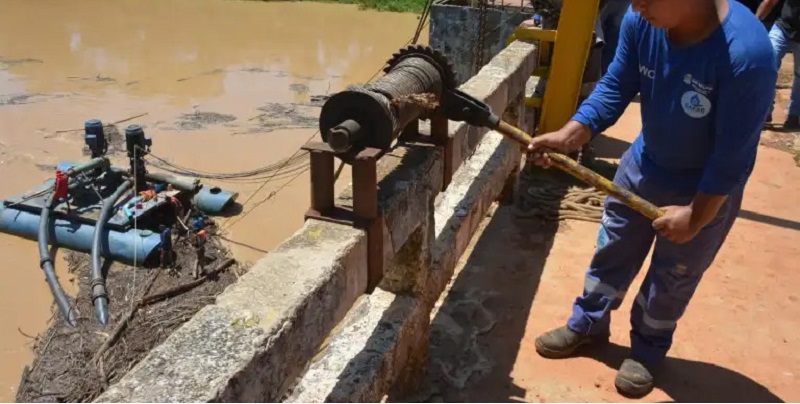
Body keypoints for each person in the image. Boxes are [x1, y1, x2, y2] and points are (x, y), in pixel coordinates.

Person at [527, 0, 776, 397]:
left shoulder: (747, 56)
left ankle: (647, 350)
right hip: (642, 168)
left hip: (704, 191)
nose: (636, 4)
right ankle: (588, 324)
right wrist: (571, 133)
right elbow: (616, 84)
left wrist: (696, 217)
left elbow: (732, 159)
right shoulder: (641, 19)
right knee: (612, 252)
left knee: (672, 279)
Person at [758, 0, 800, 127]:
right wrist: (754, 22)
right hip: (783, 28)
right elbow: (770, 2)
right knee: (767, 65)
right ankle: (765, 111)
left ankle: (794, 114)